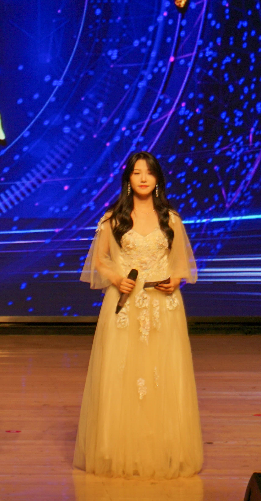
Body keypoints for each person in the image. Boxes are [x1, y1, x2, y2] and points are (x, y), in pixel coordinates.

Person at [73, 150, 203, 478]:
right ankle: (119, 451)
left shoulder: (171, 219)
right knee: (121, 375)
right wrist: (117, 279)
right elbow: (99, 260)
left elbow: (181, 263)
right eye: (136, 172)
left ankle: (164, 451)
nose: (143, 178)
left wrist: (176, 279)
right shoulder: (113, 219)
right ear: (128, 179)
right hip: (125, 306)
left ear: (157, 179)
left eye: (149, 172)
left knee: (163, 375)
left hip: (164, 308)